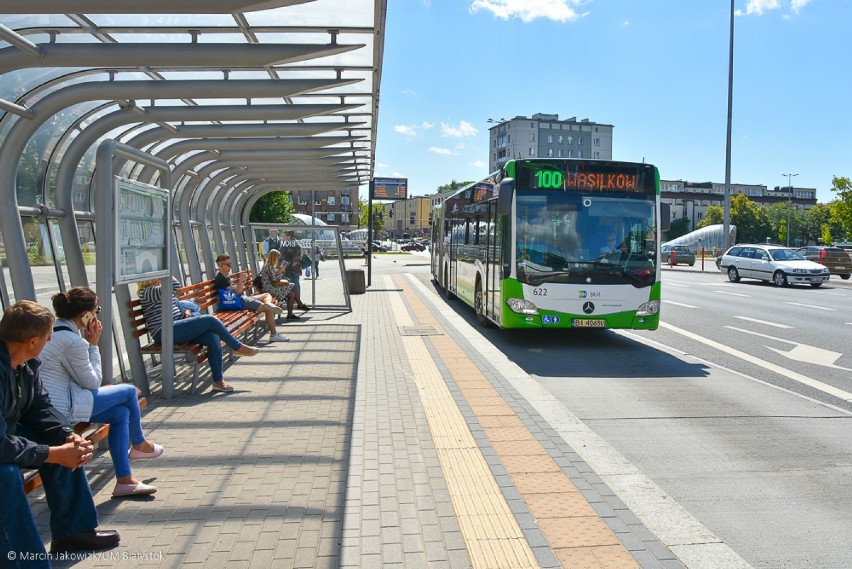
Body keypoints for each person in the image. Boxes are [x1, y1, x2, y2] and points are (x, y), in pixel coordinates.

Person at [0, 300, 120, 562]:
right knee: (6, 475)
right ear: (32, 341)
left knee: (61, 444)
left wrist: (66, 435)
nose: (51, 339)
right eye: (47, 335)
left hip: (6, 433)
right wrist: (52, 453)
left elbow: (39, 406)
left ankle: (72, 533)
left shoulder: (26, 363)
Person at [40, 287, 162, 497]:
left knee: (121, 413)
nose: (97, 315)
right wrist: (93, 345)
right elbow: (93, 382)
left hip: (60, 403)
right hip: (62, 409)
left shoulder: (59, 331)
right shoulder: (73, 341)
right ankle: (140, 443)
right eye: (96, 311)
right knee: (129, 392)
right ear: (85, 315)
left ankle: (125, 480)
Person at [137, 279, 260, 393]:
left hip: (177, 327)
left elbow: (177, 303)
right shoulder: (147, 292)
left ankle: (218, 381)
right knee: (210, 320)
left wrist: (186, 311)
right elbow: (175, 285)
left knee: (213, 337)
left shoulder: (158, 290)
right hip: (164, 332)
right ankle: (237, 347)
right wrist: (167, 269)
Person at [214, 254, 288, 343]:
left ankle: (269, 304)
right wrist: (241, 280)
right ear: (221, 265)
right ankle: (274, 334)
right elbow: (238, 293)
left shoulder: (225, 277)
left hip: (241, 299)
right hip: (239, 301)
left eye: (231, 264)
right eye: (228, 265)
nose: (230, 266)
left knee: (267, 295)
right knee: (267, 310)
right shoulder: (221, 279)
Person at [259, 249, 301, 320]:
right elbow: (275, 280)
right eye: (278, 257)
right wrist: (280, 271)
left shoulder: (269, 265)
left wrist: (279, 271)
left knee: (292, 294)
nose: (278, 259)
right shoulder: (269, 266)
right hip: (270, 288)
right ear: (274, 257)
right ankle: (299, 304)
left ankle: (290, 314)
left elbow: (274, 278)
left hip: (271, 286)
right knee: (293, 286)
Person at [283, 246, 311, 312]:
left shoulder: (299, 256)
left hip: (295, 273)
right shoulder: (289, 255)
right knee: (293, 288)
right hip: (290, 273)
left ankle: (298, 303)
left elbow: (309, 262)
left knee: (295, 287)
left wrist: (301, 257)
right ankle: (298, 303)